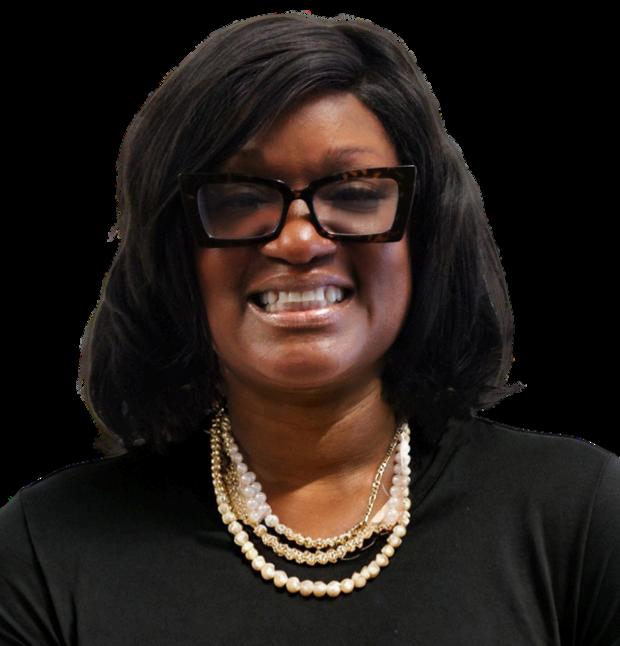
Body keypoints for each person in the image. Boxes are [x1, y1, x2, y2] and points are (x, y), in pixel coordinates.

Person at [1, 11, 618, 645]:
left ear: (426, 235)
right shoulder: (48, 548)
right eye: (240, 197)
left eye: (353, 192)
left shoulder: (578, 515)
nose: (298, 241)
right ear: (173, 251)